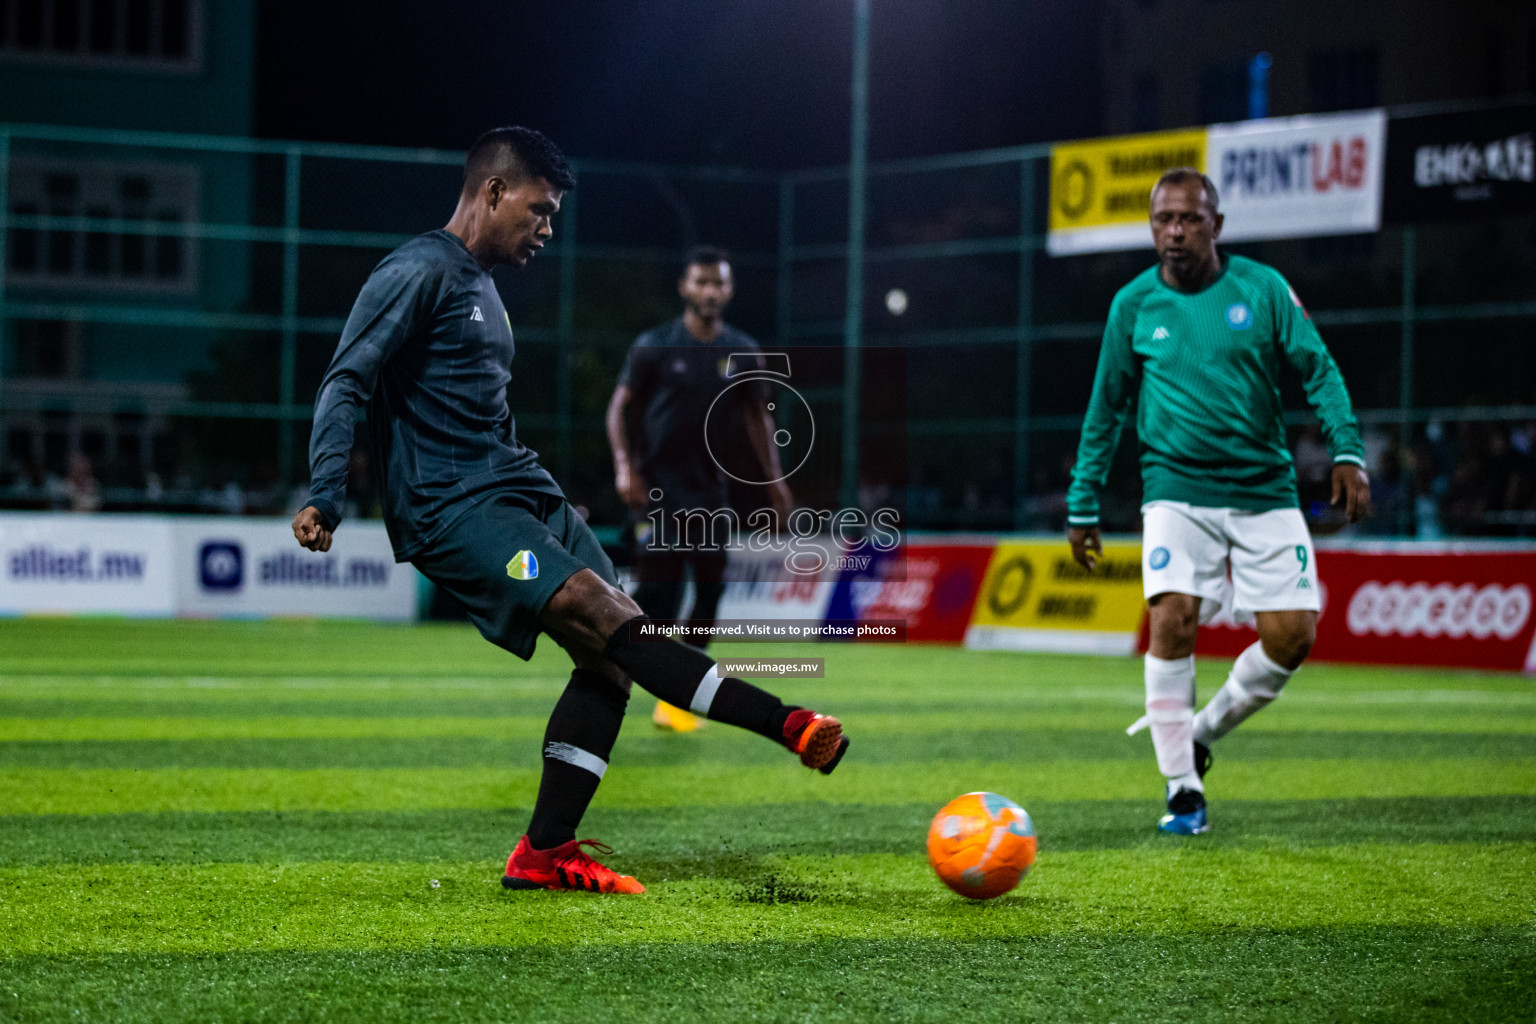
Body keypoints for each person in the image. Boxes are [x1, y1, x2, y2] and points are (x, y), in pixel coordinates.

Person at [292, 127, 847, 895]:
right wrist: (325, 489)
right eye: (539, 209)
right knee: (599, 611)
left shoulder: (482, 285)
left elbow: (475, 412)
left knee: (612, 650)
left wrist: (545, 497)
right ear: (491, 192)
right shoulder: (416, 269)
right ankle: (787, 723)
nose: (548, 228)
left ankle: (545, 852)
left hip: (519, 490)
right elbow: (346, 379)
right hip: (453, 507)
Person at [1065, 167, 1370, 836]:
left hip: (1264, 488)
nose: (1175, 231)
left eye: (1190, 219)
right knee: (1172, 617)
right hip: (1176, 489)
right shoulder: (1132, 305)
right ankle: (1181, 788)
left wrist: (1347, 451)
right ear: (1151, 228)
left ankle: (1198, 733)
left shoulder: (1262, 290)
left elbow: (1318, 369)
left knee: (1292, 638)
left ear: (1217, 226)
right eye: (1163, 220)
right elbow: (1106, 408)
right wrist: (1082, 502)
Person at [605, 247, 793, 732]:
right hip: (657, 490)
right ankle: (622, 681)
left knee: (710, 590)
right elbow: (618, 409)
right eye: (702, 283)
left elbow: (757, 417)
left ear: (729, 290)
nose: (710, 292)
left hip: (710, 491)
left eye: (719, 284)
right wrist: (626, 468)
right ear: (684, 287)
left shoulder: (742, 350)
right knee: (658, 596)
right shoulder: (655, 345)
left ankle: (680, 695)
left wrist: (775, 483)